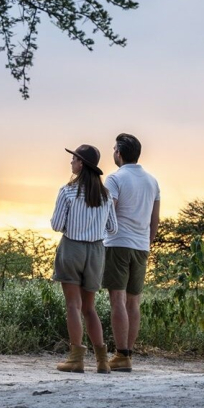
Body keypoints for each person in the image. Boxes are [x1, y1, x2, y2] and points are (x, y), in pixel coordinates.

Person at [50, 145, 117, 374]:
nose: (71, 163)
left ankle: (76, 359)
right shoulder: (105, 194)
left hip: (72, 249)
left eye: (74, 159)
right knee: (90, 308)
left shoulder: (67, 191)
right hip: (96, 252)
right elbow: (113, 228)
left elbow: (57, 225)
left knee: (73, 306)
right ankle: (102, 361)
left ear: (81, 164)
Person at [102, 133, 160, 372]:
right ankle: (128, 353)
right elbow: (155, 219)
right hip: (141, 245)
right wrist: (147, 241)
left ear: (119, 153)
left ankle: (121, 354)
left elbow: (109, 212)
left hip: (117, 243)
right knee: (133, 301)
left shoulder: (114, 179)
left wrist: (102, 235)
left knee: (117, 299)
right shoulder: (152, 181)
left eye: (114, 148)